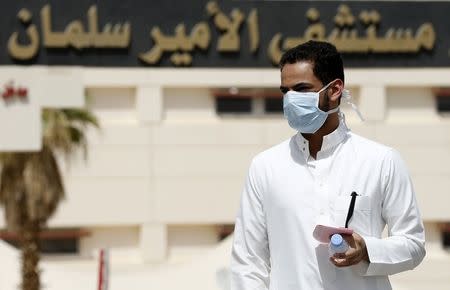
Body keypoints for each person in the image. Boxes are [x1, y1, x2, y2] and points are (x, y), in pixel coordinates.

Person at [230, 40, 425, 290]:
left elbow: (414, 245)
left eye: (301, 89)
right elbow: (247, 263)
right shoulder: (265, 167)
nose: (290, 100)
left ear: (334, 90)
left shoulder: (380, 161)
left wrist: (368, 249)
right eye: (285, 91)